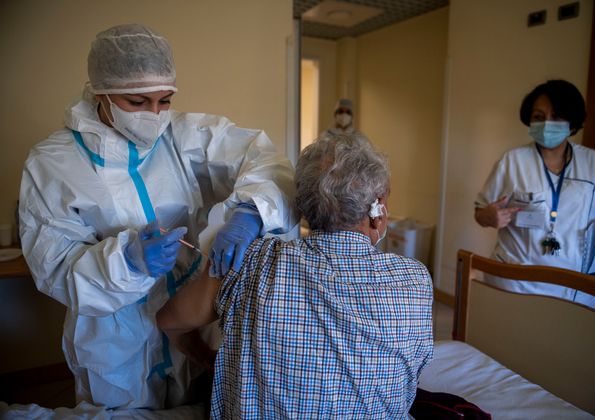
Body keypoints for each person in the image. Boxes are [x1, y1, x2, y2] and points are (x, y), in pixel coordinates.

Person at [18, 24, 297, 410]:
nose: (154, 114)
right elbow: (53, 268)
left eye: (164, 101)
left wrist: (252, 210)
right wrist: (126, 261)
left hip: (191, 317)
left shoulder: (185, 135)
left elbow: (267, 160)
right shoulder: (52, 163)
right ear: (102, 93)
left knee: (196, 406)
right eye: (137, 102)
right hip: (114, 339)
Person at [157, 134, 434, 418]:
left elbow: (170, 321)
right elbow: (410, 374)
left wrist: (208, 358)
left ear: (301, 208)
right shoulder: (415, 281)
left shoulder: (251, 260)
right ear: (378, 211)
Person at [474, 79, 595, 314]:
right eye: (538, 117)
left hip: (575, 288)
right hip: (517, 283)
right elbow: (481, 213)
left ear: (572, 122)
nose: (547, 124)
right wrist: (489, 217)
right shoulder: (512, 161)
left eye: (556, 117)